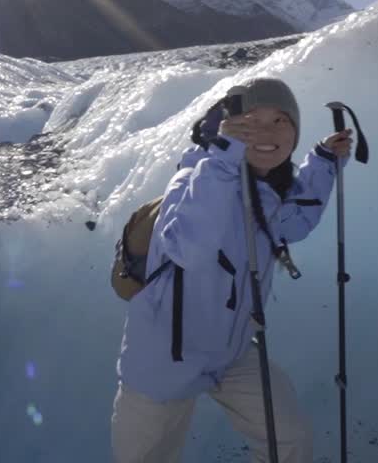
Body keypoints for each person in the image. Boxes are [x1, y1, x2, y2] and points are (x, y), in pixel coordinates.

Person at [111, 76, 353, 463]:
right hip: (161, 362)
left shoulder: (264, 192)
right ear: (226, 129)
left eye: (281, 121)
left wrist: (324, 161)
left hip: (231, 353)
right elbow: (188, 247)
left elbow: (292, 222)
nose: (266, 132)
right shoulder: (192, 180)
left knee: (289, 441)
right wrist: (223, 157)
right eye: (251, 121)